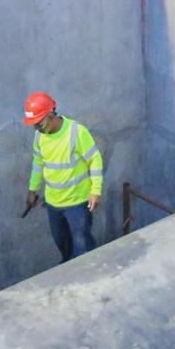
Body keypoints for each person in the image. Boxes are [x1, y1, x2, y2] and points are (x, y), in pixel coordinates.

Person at [22, 92, 103, 263]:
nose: (37, 129)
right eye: (34, 126)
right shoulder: (39, 136)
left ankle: (88, 276)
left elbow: (94, 159)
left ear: (51, 115)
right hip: (53, 203)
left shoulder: (76, 132)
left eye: (39, 124)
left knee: (82, 247)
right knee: (62, 243)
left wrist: (96, 191)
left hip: (77, 204)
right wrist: (32, 190)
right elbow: (38, 163)